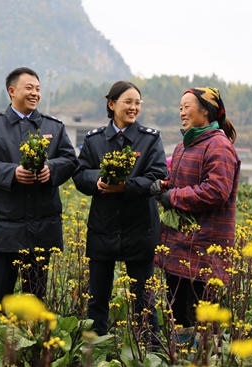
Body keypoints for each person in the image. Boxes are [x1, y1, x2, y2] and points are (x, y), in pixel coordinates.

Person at [0, 67, 78, 324]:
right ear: (12, 91)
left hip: (42, 226)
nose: (35, 93)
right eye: (29, 88)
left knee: (35, 300)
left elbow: (70, 160)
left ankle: (32, 353)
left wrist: (51, 169)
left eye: (38, 89)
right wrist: (12, 173)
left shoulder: (54, 127)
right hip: (5, 226)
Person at [73, 81, 167, 340]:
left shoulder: (150, 139)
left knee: (144, 301)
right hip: (103, 226)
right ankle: (93, 350)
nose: (134, 107)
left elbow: (158, 176)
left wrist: (126, 187)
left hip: (140, 227)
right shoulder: (94, 140)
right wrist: (98, 180)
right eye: (128, 102)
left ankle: (150, 350)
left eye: (138, 102)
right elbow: (80, 175)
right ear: (111, 104)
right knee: (97, 298)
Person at [151, 87, 240, 333]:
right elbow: (183, 182)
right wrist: (164, 186)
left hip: (203, 249)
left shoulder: (218, 146)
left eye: (187, 106)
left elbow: (216, 191)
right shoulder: (184, 146)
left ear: (206, 111)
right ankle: (179, 356)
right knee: (178, 315)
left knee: (198, 319)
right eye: (180, 107)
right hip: (179, 245)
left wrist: (173, 197)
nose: (182, 112)